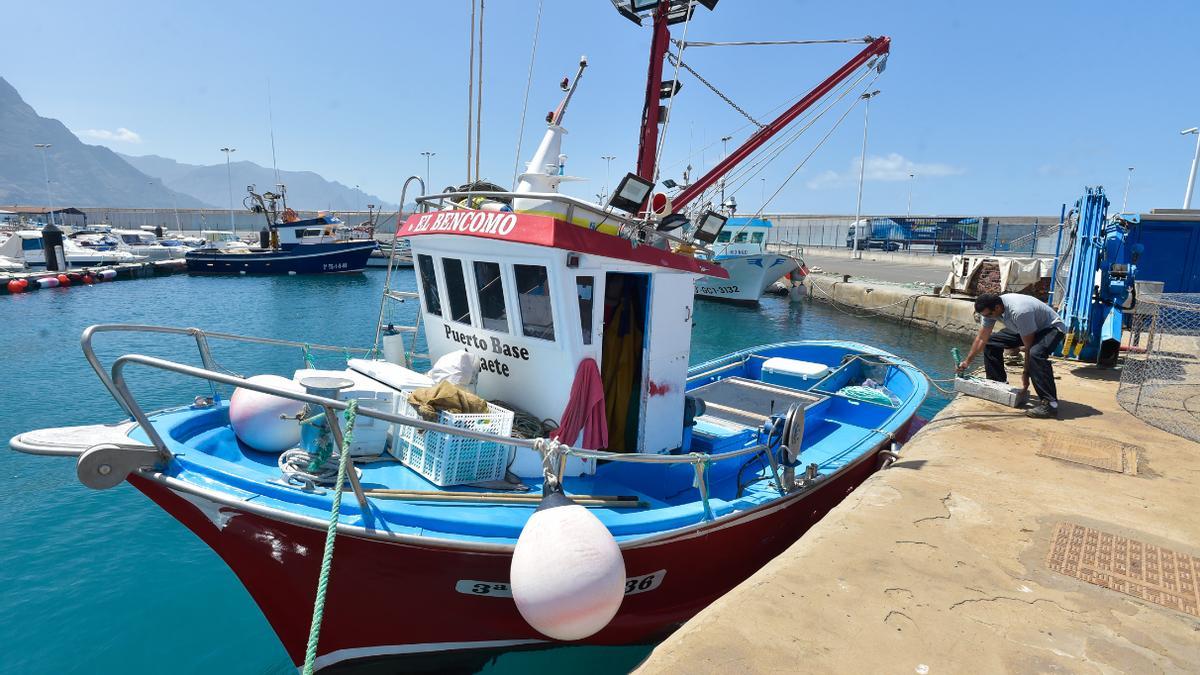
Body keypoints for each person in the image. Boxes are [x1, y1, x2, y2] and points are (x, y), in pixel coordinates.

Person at [956, 292, 1066, 418]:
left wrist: (1025, 373)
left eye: (988, 315)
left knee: (1036, 354)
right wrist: (966, 362)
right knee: (991, 343)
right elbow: (982, 338)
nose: (987, 317)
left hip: (1050, 328)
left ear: (997, 308)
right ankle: (997, 383)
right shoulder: (990, 311)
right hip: (1023, 328)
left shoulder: (1019, 311)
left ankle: (1050, 405)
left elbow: (1028, 347)